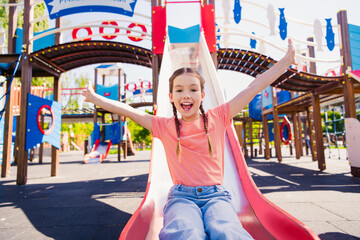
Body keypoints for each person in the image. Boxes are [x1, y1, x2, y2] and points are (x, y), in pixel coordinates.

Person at [82, 39, 295, 240]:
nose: (186, 95)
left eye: (193, 89)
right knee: (184, 229)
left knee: (227, 228)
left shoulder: (218, 117)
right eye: (179, 90)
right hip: (181, 197)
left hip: (217, 196)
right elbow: (129, 111)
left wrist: (284, 63)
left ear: (202, 95)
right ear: (171, 97)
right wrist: (95, 98)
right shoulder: (163, 126)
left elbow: (253, 88)